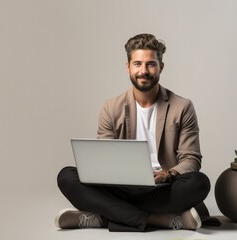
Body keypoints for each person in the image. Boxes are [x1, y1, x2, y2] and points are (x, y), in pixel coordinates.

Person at [55, 33, 211, 232]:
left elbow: (191, 159)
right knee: (66, 176)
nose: (143, 71)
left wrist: (168, 174)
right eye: (137, 64)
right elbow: (103, 161)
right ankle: (160, 220)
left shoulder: (182, 106)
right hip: (120, 188)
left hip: (162, 189)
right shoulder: (111, 107)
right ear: (128, 66)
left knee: (199, 183)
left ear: (161, 67)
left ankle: (102, 218)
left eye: (151, 64)